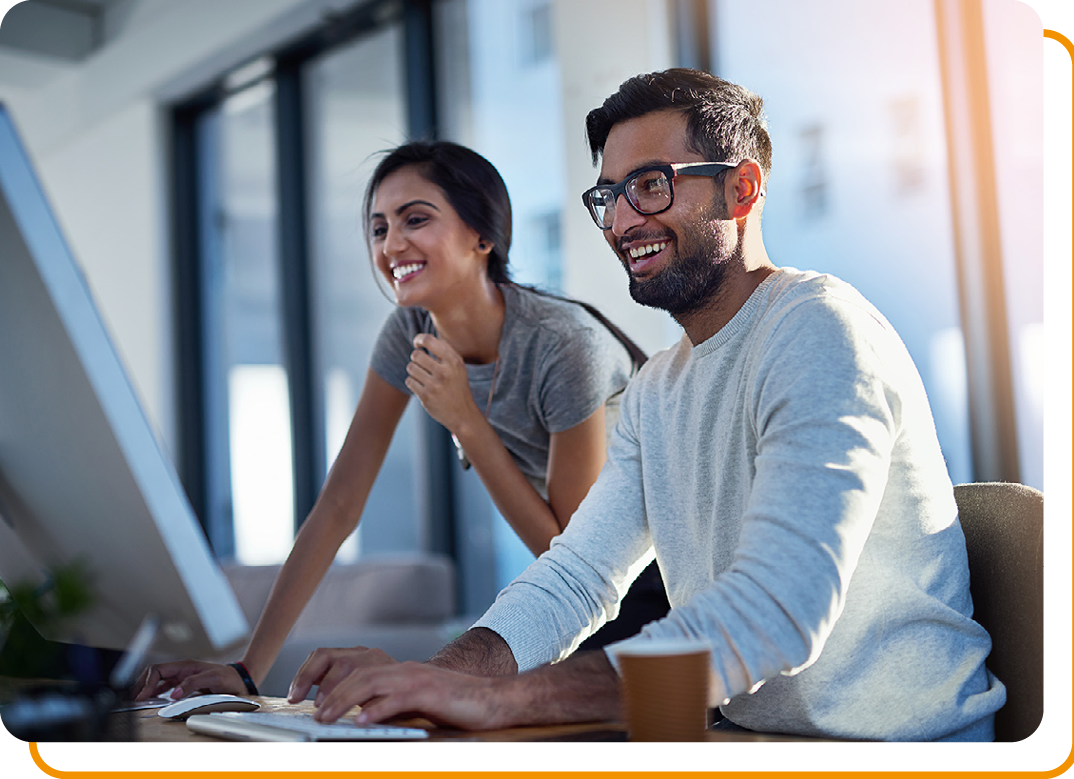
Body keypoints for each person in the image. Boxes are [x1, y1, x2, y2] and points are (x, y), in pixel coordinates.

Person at [282, 69, 1006, 743]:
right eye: (609, 195)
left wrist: (501, 699)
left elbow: (778, 613)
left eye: (651, 185)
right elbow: (576, 577)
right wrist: (433, 679)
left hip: (902, 750)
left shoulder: (818, 330)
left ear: (742, 190)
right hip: (749, 744)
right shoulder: (660, 387)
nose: (623, 219)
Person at [133, 140, 666, 701]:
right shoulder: (408, 330)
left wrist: (466, 423)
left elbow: (567, 552)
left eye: (416, 219)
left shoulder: (563, 346)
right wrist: (246, 671)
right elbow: (338, 506)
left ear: (482, 237)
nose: (392, 244)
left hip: (657, 576)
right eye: (379, 228)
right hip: (577, 595)